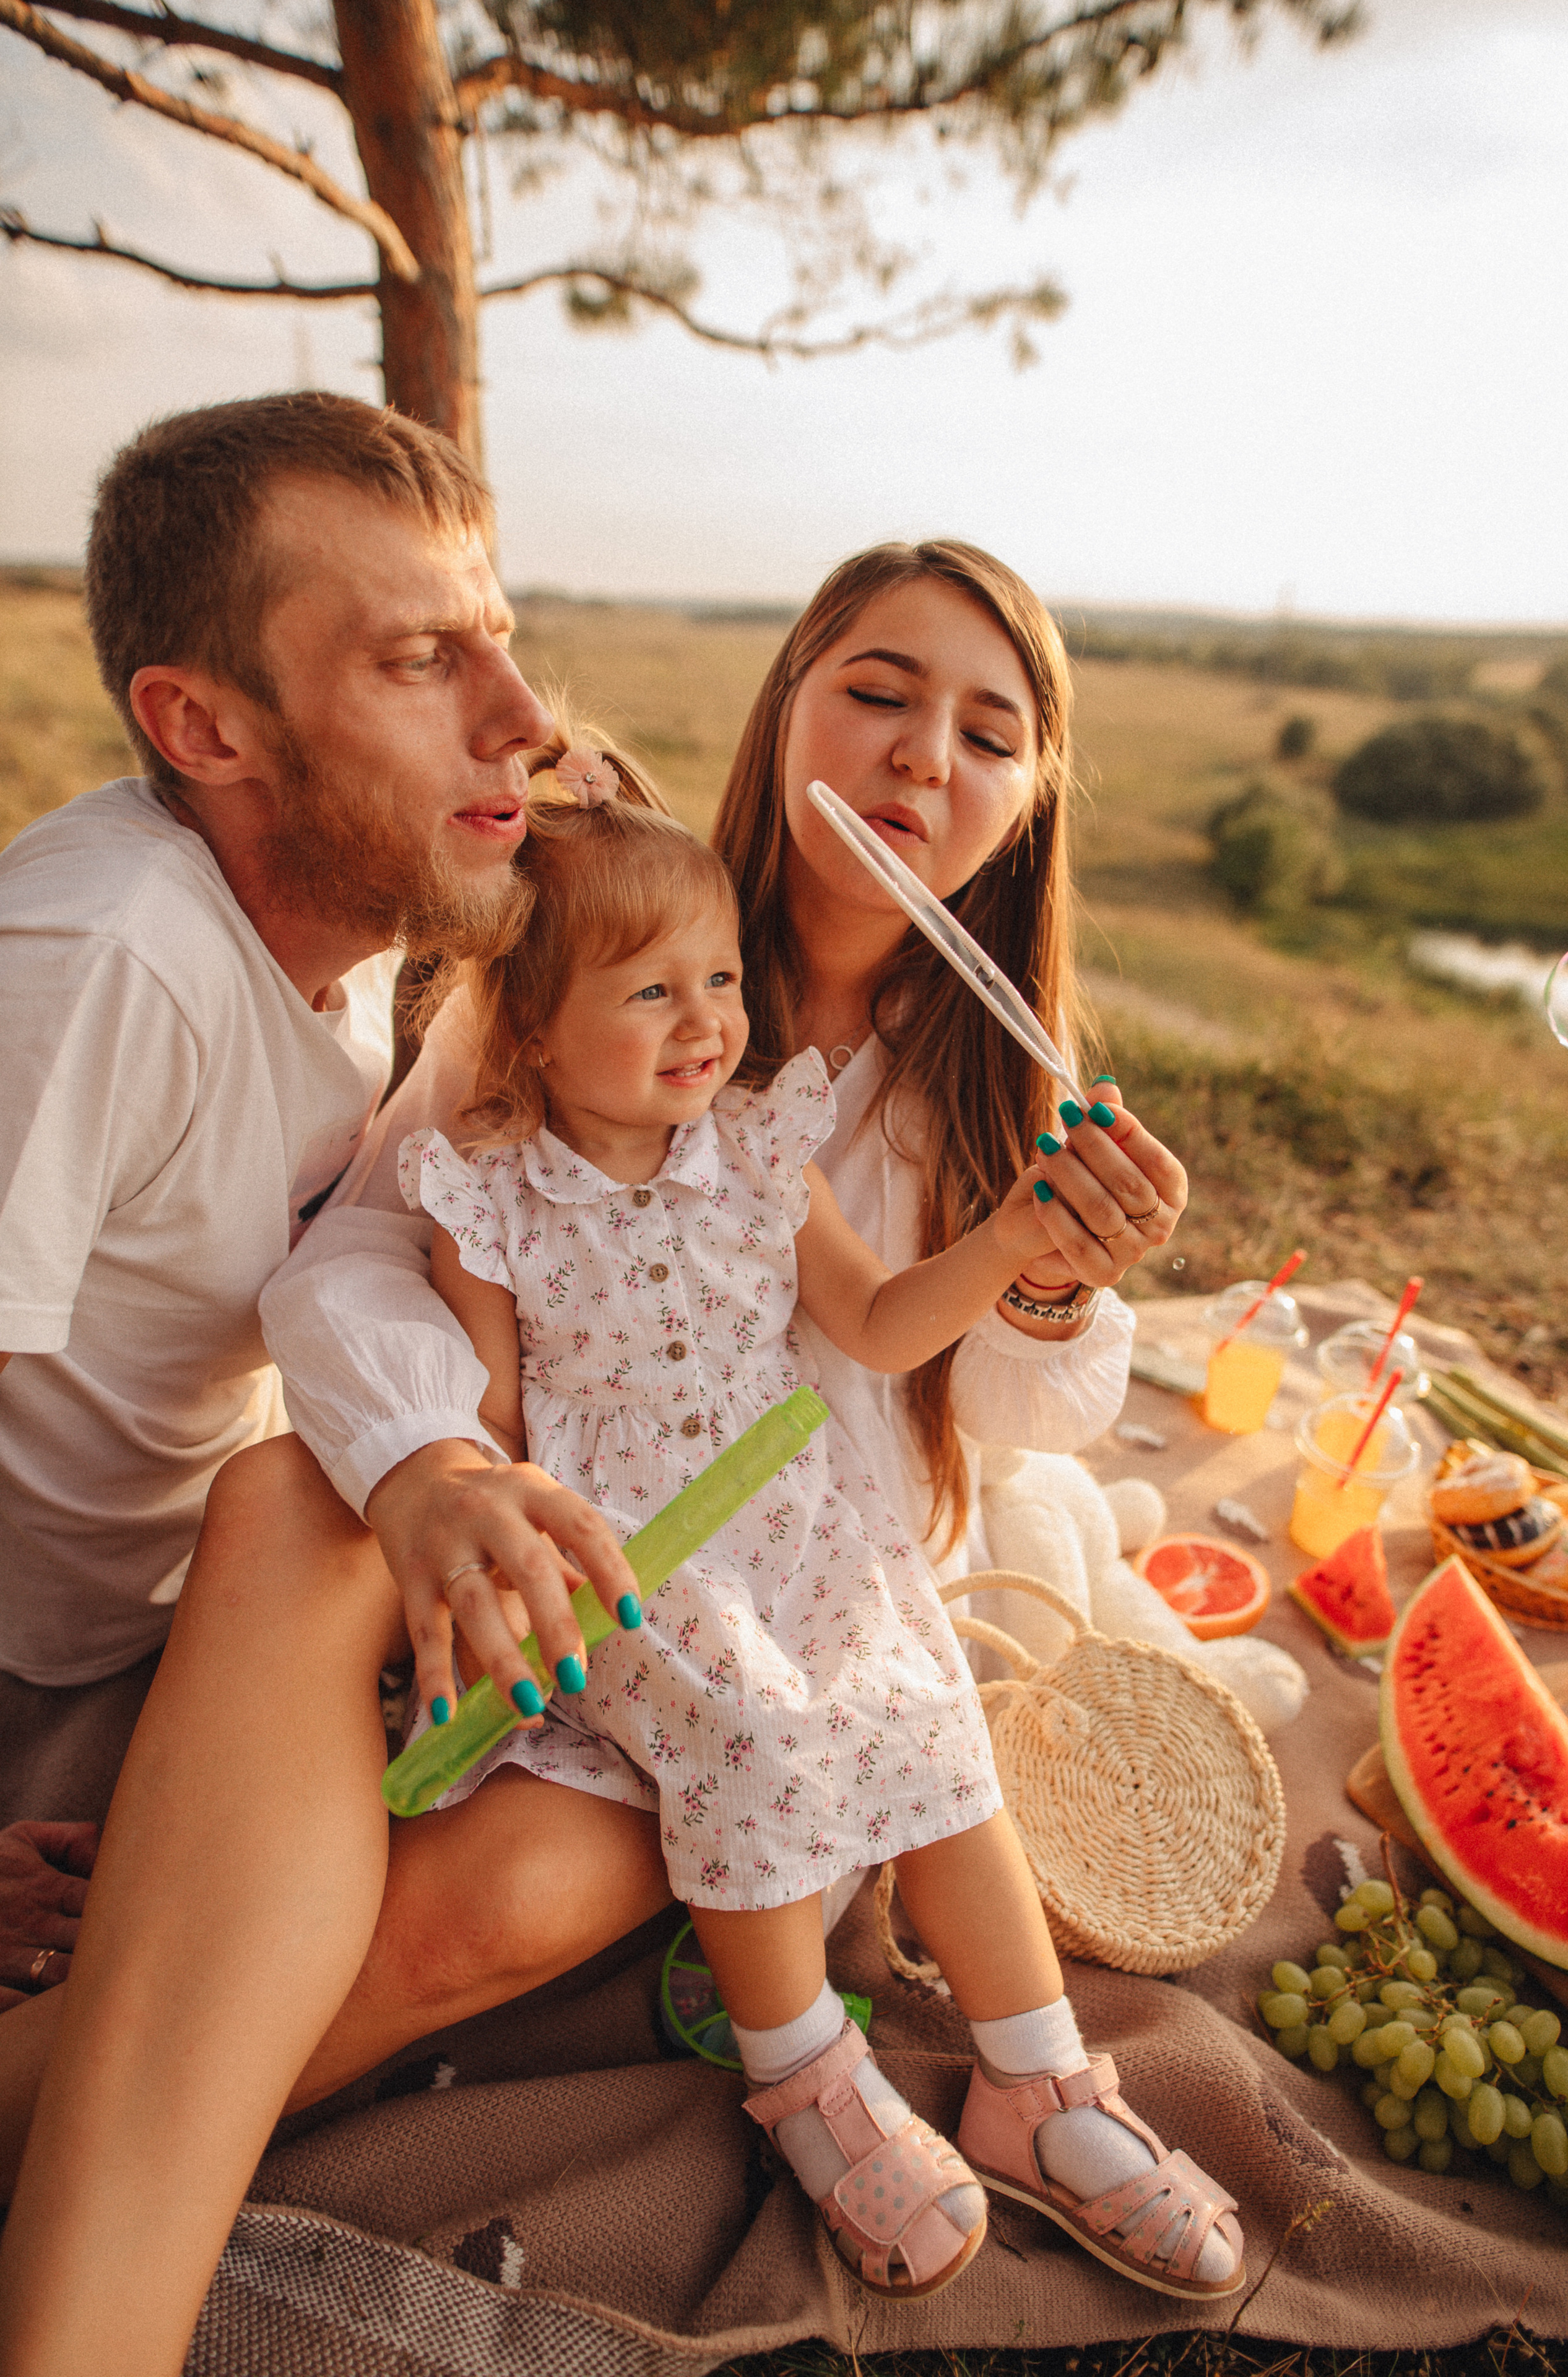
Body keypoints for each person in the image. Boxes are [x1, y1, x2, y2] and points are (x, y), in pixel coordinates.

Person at [0, 394, 677, 2376]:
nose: (525, 715)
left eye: (501, 636)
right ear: (205, 728)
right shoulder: (97, 953)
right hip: (45, 1669)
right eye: (419, 660)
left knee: (623, 1820)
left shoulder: (366, 932)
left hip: (171, 1622)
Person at [385, 758, 1243, 2301]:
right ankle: (809, 2080)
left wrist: (1015, 1240)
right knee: (760, 1736)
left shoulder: (761, 1154)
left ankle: (1035, 2082)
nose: (708, 1020)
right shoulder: (489, 1200)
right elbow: (493, 1430)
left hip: (792, 1514)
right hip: (631, 1558)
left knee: (932, 1725)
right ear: (527, 1025)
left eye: (717, 977)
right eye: (649, 992)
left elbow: (884, 1325)